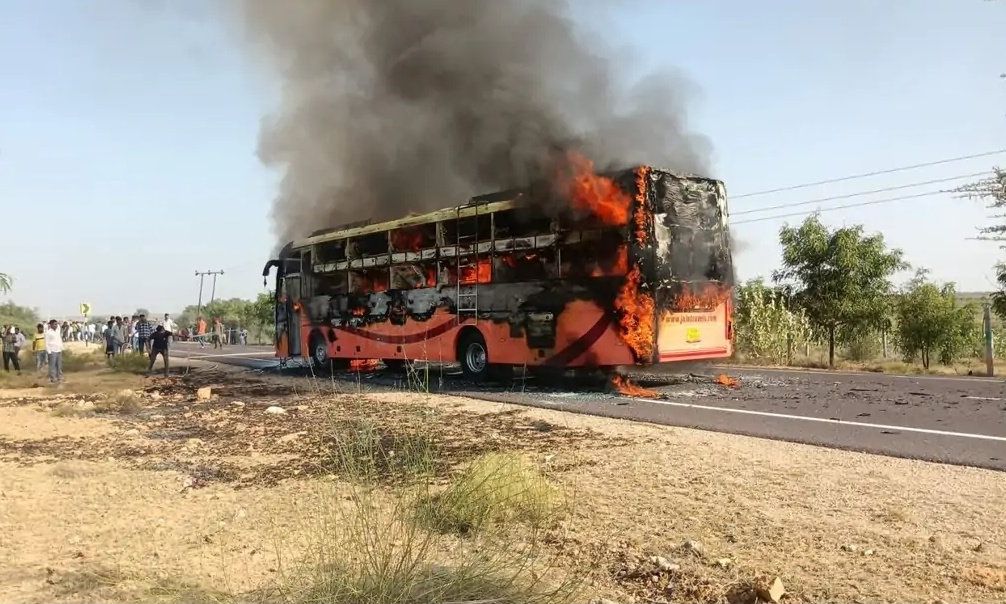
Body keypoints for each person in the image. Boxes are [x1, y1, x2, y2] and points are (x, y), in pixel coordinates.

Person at [45, 319, 63, 384]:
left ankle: (60, 378)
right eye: (55, 324)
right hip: (52, 350)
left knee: (59, 365)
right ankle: (53, 378)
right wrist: (49, 352)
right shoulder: (48, 332)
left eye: (56, 324)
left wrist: (61, 347)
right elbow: (46, 343)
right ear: (51, 325)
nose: (56, 325)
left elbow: (59, 339)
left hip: (59, 350)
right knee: (52, 366)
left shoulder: (58, 331)